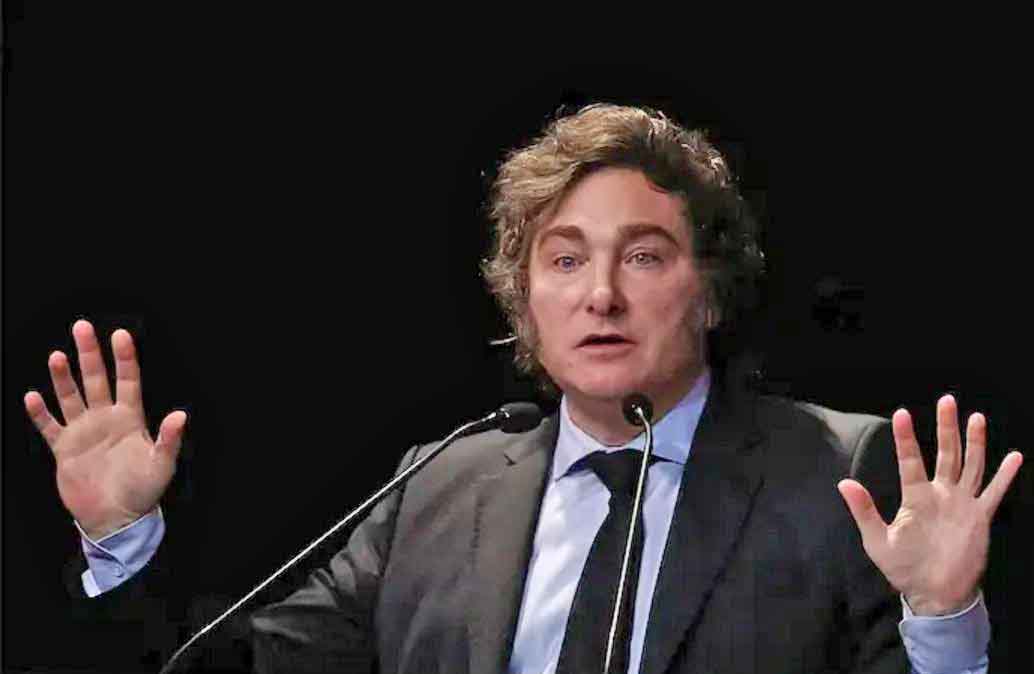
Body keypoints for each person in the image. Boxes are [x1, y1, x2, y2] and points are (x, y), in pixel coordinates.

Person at [24, 103, 1023, 673]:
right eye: (563, 260)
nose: (599, 295)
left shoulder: (834, 472)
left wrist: (942, 621)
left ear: (710, 290)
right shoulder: (442, 481)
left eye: (643, 256)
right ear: (524, 298)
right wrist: (124, 542)